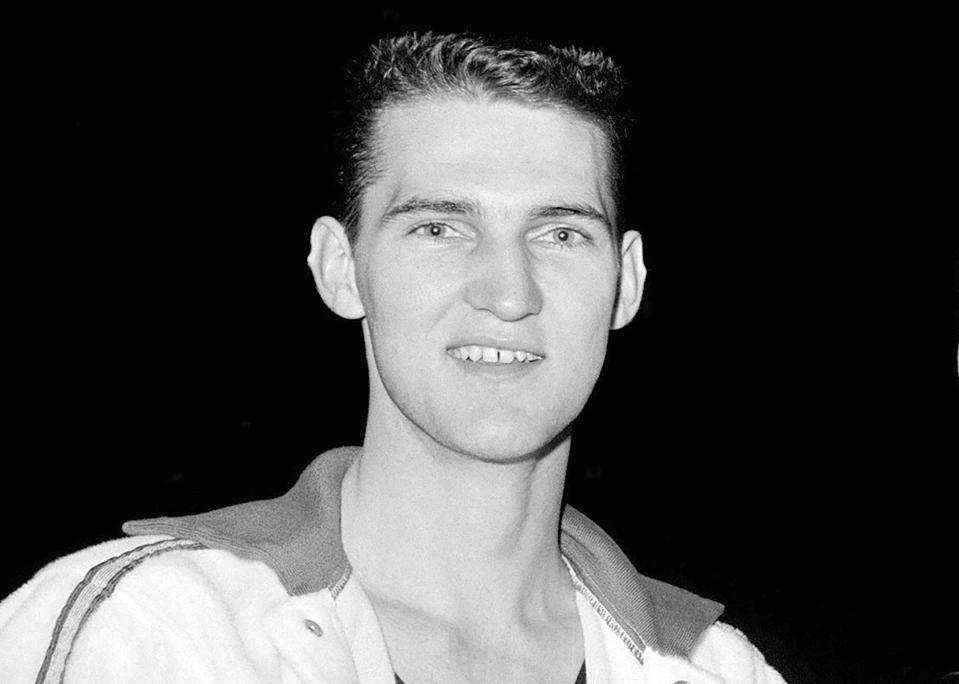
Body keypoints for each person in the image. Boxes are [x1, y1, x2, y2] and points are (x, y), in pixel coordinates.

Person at [0, 32, 785, 684]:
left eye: (560, 233)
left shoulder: (718, 671)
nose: (508, 293)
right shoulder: (154, 633)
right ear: (340, 268)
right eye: (439, 228)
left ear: (627, 282)